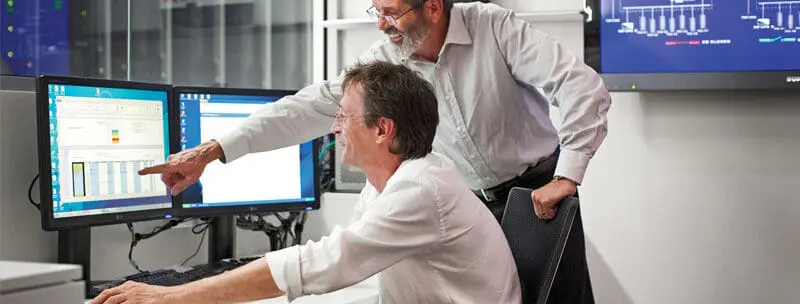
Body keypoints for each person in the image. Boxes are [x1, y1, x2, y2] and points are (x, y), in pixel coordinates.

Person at [140, 0, 610, 223]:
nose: (383, 25)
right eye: (375, 11)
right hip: (466, 204)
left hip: (536, 193)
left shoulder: (494, 26)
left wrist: (567, 176)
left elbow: (579, 85)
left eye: (391, 12)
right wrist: (213, 149)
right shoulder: (384, 59)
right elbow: (306, 107)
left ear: (432, 5)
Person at [92, 61, 522, 304]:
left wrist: (173, 298)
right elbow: (348, 277)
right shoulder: (392, 181)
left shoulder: (420, 191)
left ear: (382, 129)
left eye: (344, 115)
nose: (333, 126)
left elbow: (326, 263)